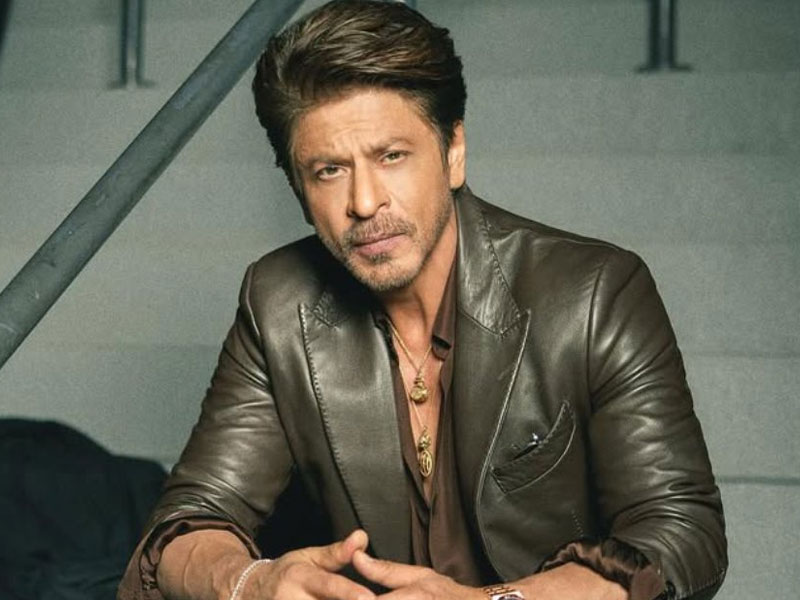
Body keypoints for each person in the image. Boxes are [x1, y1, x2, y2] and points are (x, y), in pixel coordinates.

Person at [118, 2, 727, 599]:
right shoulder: (278, 304)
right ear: (299, 190)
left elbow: (681, 531)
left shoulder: (593, 293)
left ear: (452, 151)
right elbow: (186, 524)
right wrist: (251, 583)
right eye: (329, 170)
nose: (364, 203)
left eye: (391, 156)